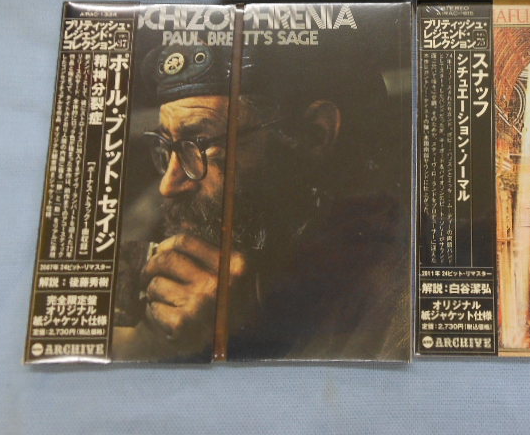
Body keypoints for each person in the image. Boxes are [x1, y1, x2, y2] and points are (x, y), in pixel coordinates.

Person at [112, 26, 409, 362]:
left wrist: (238, 339)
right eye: (168, 147)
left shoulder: (400, 298)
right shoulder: (173, 238)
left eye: (201, 144)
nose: (169, 184)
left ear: (314, 134)